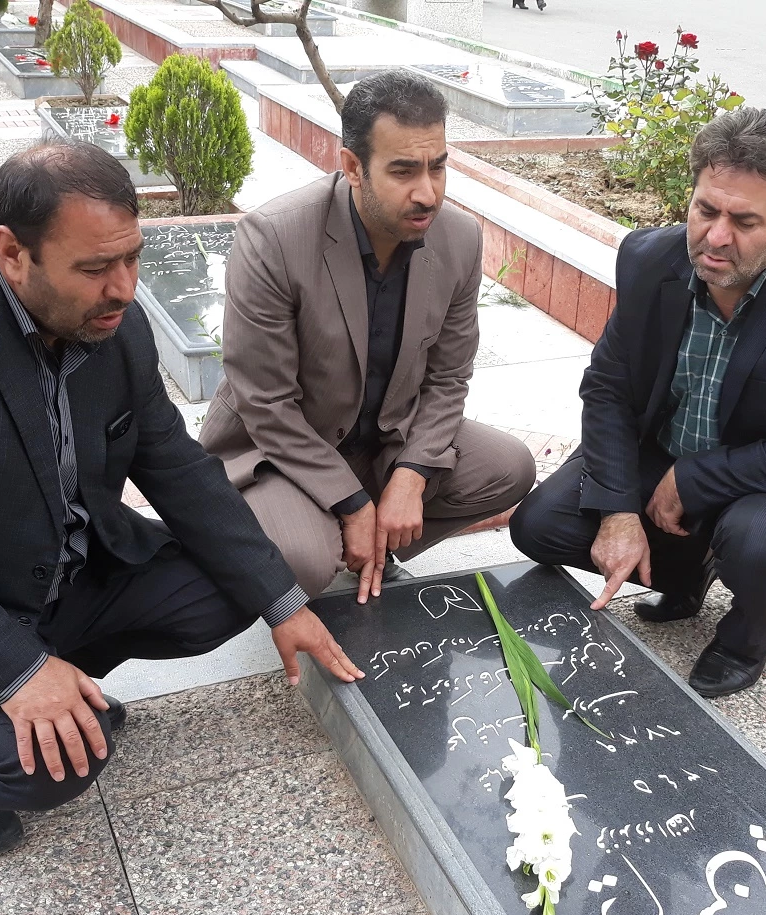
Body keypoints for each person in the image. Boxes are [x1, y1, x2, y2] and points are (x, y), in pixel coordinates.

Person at [0, 142, 362, 857]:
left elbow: (175, 465)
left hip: (52, 571)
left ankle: (56, 677)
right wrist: (17, 669)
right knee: (50, 766)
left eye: (132, 258)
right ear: (12, 253)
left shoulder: (114, 323)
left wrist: (283, 603)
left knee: (229, 591)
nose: (123, 288)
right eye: (95, 268)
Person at [509, 106, 766, 698]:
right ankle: (690, 572)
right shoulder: (647, 259)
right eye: (706, 210)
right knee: (540, 527)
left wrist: (692, 479)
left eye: (745, 221)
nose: (716, 237)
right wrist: (618, 512)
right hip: (668, 448)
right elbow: (608, 388)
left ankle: (745, 638)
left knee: (759, 548)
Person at [200, 71, 536, 603]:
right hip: (282, 449)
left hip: (386, 439)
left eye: (438, 166)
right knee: (303, 562)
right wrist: (353, 504)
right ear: (353, 166)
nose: (428, 193)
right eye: (403, 170)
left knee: (509, 468)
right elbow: (265, 403)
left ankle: (372, 550)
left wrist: (413, 474)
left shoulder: (459, 238)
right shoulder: (274, 237)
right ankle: (326, 536)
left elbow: (449, 377)